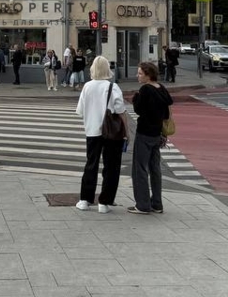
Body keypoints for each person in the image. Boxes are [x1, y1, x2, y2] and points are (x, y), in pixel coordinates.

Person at [74, 55, 127, 214]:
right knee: (111, 167)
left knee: (91, 164)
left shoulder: (87, 87)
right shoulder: (113, 87)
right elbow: (120, 110)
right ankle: (104, 202)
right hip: (111, 132)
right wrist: (127, 132)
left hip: (92, 131)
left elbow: (80, 111)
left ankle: (85, 200)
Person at [130, 61, 173, 215]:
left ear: (148, 75)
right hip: (157, 134)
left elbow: (139, 110)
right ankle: (157, 203)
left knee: (140, 169)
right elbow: (167, 113)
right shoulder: (162, 88)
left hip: (144, 133)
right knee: (155, 168)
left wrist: (135, 98)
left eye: (140, 73)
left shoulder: (145, 89)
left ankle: (142, 204)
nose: (137, 76)